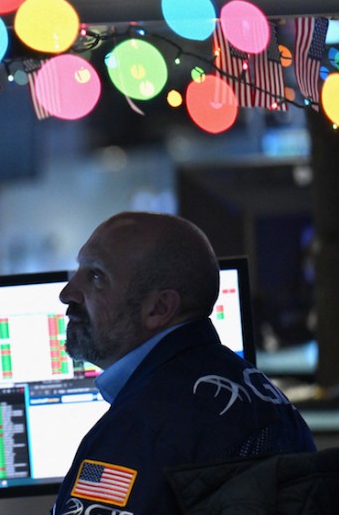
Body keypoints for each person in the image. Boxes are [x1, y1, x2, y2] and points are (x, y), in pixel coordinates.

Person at [53, 212, 317, 515]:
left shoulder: (139, 430)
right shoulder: (270, 399)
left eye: (97, 276)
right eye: (78, 270)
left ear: (160, 308)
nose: (67, 293)